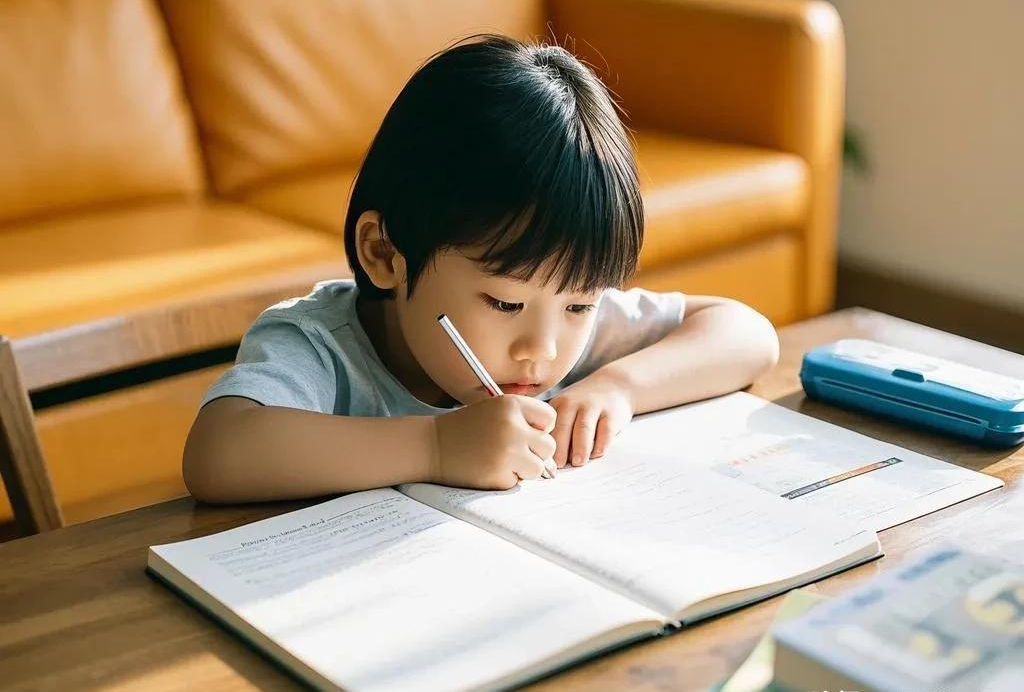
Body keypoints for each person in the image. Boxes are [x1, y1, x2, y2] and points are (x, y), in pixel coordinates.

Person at [183, 35, 779, 503]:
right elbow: (218, 453)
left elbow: (747, 334)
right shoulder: (322, 347)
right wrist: (437, 446)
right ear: (385, 254)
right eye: (503, 304)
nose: (541, 350)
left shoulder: (554, 317)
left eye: (581, 304)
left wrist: (619, 387)